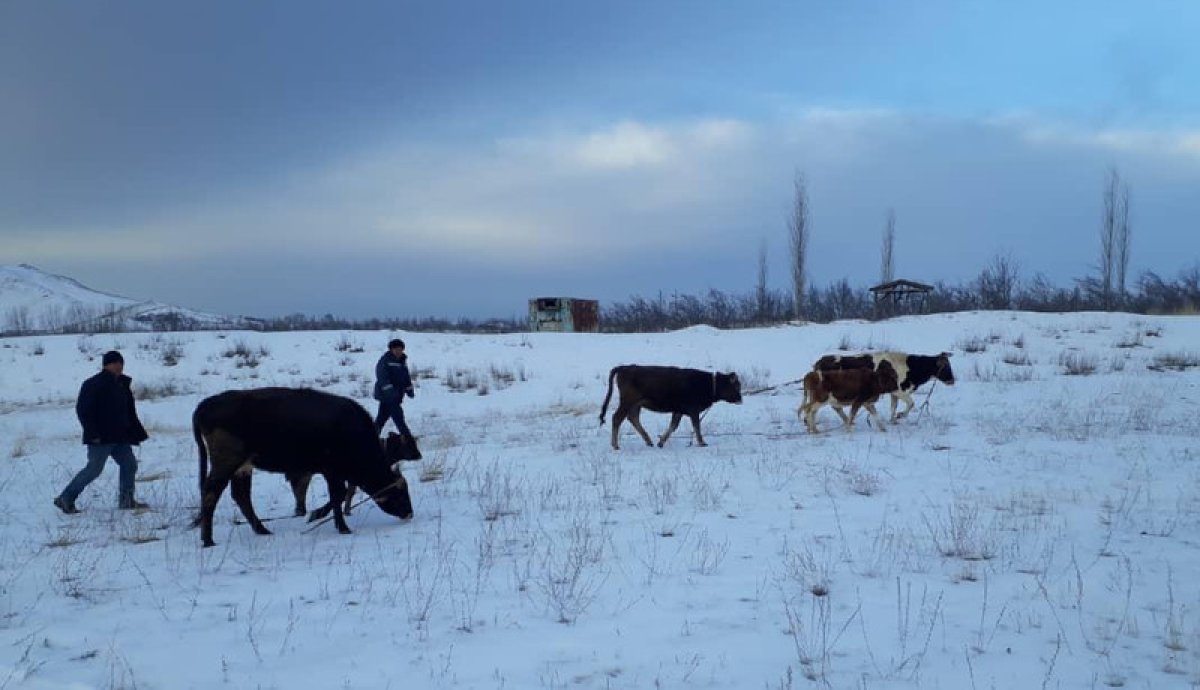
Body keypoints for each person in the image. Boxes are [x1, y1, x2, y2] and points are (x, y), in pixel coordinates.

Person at [54, 350, 150, 514]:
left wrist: (134, 430)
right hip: (100, 437)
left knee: (129, 465)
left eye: (122, 363)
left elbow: (128, 410)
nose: (120, 366)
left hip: (120, 436)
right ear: (108, 364)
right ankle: (66, 498)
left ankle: (126, 501)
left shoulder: (121, 384)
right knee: (94, 469)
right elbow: (83, 410)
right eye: (116, 363)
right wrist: (92, 434)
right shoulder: (93, 384)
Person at [373, 338, 414, 438]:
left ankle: (370, 437)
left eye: (400, 349)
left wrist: (409, 390)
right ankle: (408, 438)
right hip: (387, 396)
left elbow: (406, 377)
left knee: (381, 419)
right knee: (398, 417)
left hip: (397, 395)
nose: (398, 351)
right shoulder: (385, 361)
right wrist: (391, 393)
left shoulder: (402, 361)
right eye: (396, 349)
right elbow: (382, 378)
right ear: (391, 349)